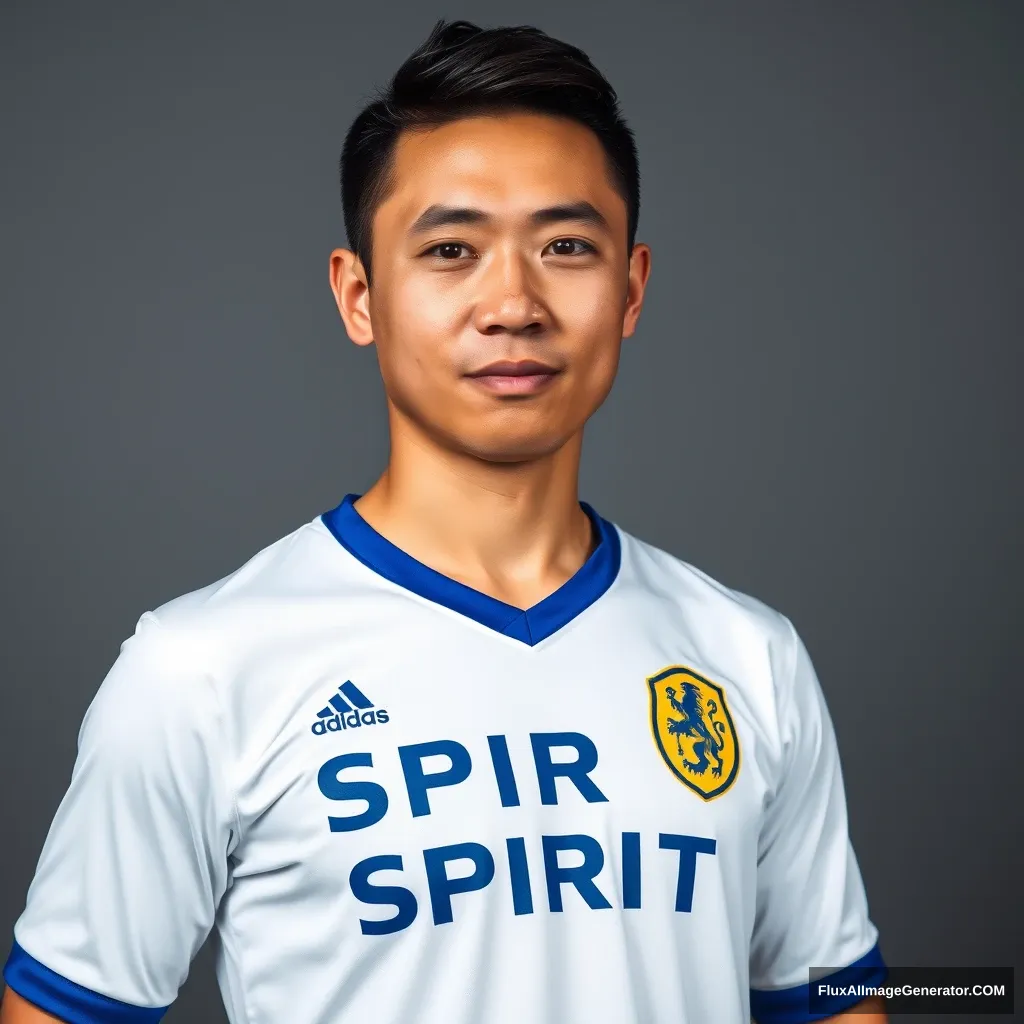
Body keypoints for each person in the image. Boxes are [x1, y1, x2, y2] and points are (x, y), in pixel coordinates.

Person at [1, 18, 889, 1024]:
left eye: (564, 246)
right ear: (359, 294)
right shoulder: (199, 671)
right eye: (451, 249)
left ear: (630, 287)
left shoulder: (748, 656)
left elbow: (831, 1001)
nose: (511, 303)